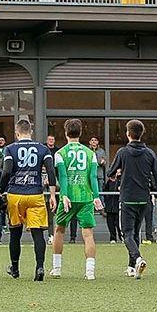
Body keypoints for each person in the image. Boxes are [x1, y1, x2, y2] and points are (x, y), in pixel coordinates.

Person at [0, 119, 56, 281]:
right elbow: (50, 171)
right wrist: (52, 194)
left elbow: (6, 171)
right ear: (31, 132)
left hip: (15, 194)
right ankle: (40, 267)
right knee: (38, 233)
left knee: (15, 233)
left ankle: (15, 268)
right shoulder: (43, 149)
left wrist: (0, 192)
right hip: (35, 194)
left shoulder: (10, 149)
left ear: (17, 132)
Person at [107, 119, 157, 279]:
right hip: (144, 200)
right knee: (136, 232)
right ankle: (132, 267)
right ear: (142, 134)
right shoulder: (150, 154)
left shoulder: (122, 152)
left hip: (127, 199)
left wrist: (116, 172)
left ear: (127, 134)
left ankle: (138, 258)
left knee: (126, 233)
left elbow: (110, 172)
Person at [50, 119, 104, 280]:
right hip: (86, 197)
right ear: (80, 134)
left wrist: (64, 194)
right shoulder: (91, 153)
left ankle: (57, 268)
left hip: (68, 196)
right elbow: (93, 177)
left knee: (59, 230)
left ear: (66, 133)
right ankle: (90, 271)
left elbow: (63, 176)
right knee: (88, 234)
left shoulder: (60, 153)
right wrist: (96, 197)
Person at [103, 170, 122, 243]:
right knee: (110, 224)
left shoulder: (120, 182)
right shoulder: (108, 183)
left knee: (118, 224)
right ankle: (113, 238)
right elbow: (105, 191)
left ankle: (121, 237)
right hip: (109, 207)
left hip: (117, 207)